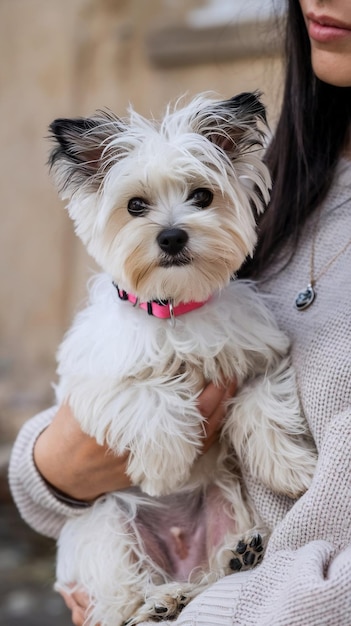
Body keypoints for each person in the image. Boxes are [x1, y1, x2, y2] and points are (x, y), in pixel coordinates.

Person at [9, 0, 351, 624]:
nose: (170, 229)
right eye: (137, 207)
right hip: (128, 536)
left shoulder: (243, 289)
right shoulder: (299, 178)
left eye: (198, 197)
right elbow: (67, 465)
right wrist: (52, 469)